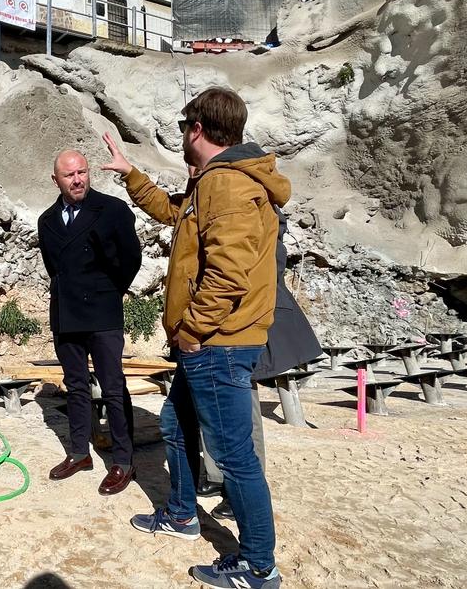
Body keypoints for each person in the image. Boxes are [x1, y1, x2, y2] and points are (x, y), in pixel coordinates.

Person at [102, 86, 291, 589]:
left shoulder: (226, 185)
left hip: (217, 343)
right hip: (213, 342)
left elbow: (228, 274)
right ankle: (184, 515)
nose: (183, 137)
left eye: (185, 128)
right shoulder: (213, 182)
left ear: (198, 130)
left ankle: (257, 566)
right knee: (175, 426)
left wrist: (190, 331)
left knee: (233, 456)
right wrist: (131, 176)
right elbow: (172, 211)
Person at [199, 204, 323, 521]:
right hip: (213, 321)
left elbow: (264, 267)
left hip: (240, 321)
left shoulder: (253, 206)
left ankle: (240, 488)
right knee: (212, 403)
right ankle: (217, 476)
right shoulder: (213, 197)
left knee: (243, 407)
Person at [37, 149, 143, 495]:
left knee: (113, 387)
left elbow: (131, 259)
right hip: (66, 313)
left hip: (102, 311)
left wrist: (106, 291)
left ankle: (124, 460)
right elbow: (54, 267)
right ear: (56, 180)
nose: (78, 179)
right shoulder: (47, 219)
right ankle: (80, 452)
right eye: (69, 175)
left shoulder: (112, 210)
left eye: (82, 172)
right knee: (76, 385)